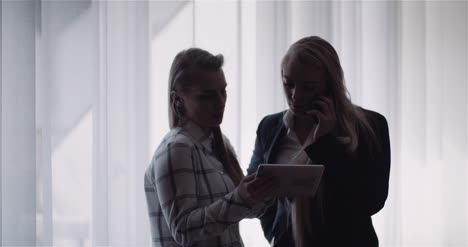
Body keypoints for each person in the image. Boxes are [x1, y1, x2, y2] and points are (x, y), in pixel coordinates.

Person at [247, 36, 391, 247]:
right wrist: (276, 233)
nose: (295, 96)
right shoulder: (270, 127)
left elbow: (371, 201)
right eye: (289, 84)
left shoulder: (370, 125)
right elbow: (256, 192)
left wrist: (325, 145)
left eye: (308, 87)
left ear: (331, 86)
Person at [144, 48, 277, 247]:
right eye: (206, 96)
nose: (220, 102)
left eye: (223, 91)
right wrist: (240, 198)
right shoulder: (177, 148)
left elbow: (236, 211)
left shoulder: (219, 143)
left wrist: (264, 193)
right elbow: (184, 230)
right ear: (177, 100)